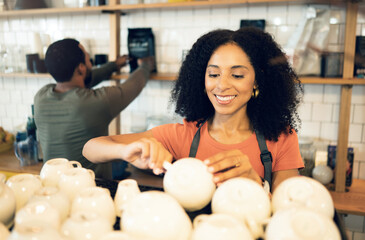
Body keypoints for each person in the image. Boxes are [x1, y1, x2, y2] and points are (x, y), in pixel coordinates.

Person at [82, 27, 304, 192]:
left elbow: (290, 212)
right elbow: (91, 148)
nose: (222, 85)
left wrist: (256, 183)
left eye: (237, 75)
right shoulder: (182, 136)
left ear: (257, 82)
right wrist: (126, 152)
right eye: (213, 74)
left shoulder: (281, 138)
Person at [34, 38, 155, 179]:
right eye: (87, 59)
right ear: (81, 68)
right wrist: (145, 65)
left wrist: (113, 65)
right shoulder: (96, 102)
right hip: (90, 187)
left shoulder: (41, 97)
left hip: (51, 185)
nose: (90, 63)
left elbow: (84, 80)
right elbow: (133, 86)